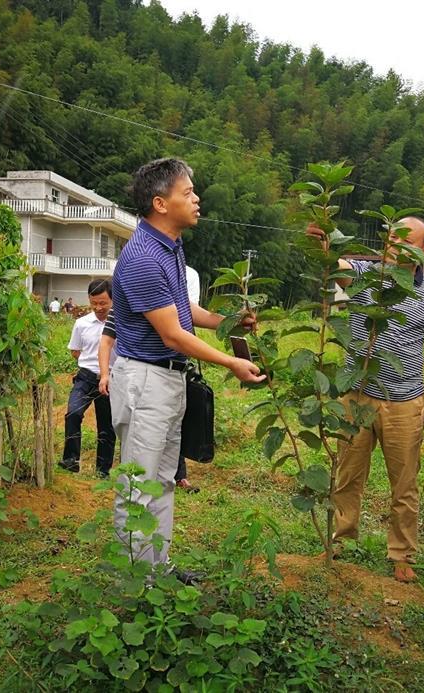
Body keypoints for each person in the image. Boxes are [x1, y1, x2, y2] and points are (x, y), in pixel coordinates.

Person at [109, 157, 263, 573]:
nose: (197, 199)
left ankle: (158, 570)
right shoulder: (143, 257)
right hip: (146, 379)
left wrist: (224, 320)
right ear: (161, 204)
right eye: (188, 192)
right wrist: (231, 361)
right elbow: (172, 335)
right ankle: (135, 582)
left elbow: (182, 309)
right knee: (138, 486)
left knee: (161, 480)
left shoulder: (169, 246)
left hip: (165, 380)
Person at [307, 218, 424, 583]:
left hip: (404, 400)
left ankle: (402, 554)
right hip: (357, 395)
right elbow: (335, 264)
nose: (395, 244)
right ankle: (342, 540)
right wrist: (324, 240)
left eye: (405, 240)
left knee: (404, 482)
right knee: (348, 474)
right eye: (391, 237)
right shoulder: (364, 277)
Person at [99, 265, 202, 492]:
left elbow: (188, 314)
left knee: (164, 460)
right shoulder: (134, 291)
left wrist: (225, 321)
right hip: (143, 378)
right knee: (140, 469)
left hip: (174, 375)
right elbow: (106, 341)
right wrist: (104, 374)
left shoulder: (177, 283)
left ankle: (178, 477)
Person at [59, 279, 116, 477]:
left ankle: (103, 470)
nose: (98, 307)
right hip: (85, 377)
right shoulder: (81, 324)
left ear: (112, 299)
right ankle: (70, 459)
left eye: (103, 303)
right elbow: (75, 351)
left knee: (106, 426)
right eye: (94, 303)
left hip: (111, 379)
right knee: (73, 413)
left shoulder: (120, 324)